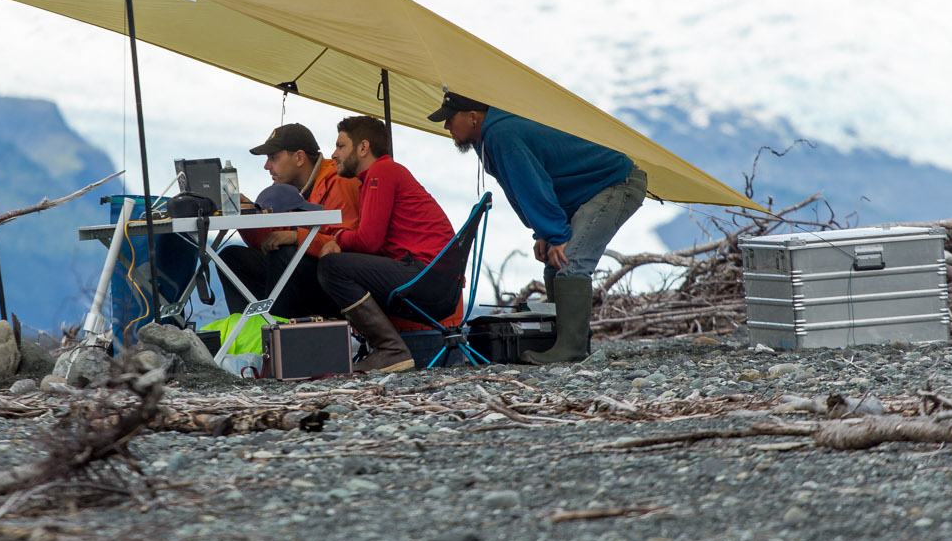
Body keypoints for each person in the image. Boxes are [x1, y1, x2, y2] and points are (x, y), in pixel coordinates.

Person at [429, 90, 649, 363]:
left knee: (570, 261)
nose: (446, 125)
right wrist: (544, 232)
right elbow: (524, 186)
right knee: (553, 260)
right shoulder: (487, 138)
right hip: (587, 191)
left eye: (450, 119)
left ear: (473, 117)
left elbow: (532, 185)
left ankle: (571, 350)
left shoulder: (502, 134)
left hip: (615, 183)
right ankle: (563, 342)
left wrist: (554, 233)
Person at [313, 115, 456, 374]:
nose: (333, 154)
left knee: (332, 267)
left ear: (363, 147)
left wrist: (337, 240)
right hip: (437, 280)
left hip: (427, 278)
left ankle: (390, 351)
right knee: (336, 268)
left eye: (341, 145)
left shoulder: (382, 171)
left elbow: (369, 241)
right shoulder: (379, 175)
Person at [215, 123, 359, 319]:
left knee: (284, 254)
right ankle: (250, 332)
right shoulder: (290, 191)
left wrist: (296, 237)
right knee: (231, 258)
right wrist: (250, 213)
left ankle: (278, 336)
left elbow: (348, 245)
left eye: (273, 158)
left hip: (334, 282)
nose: (267, 166)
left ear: (299, 157)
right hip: (306, 273)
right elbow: (271, 241)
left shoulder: (339, 182)